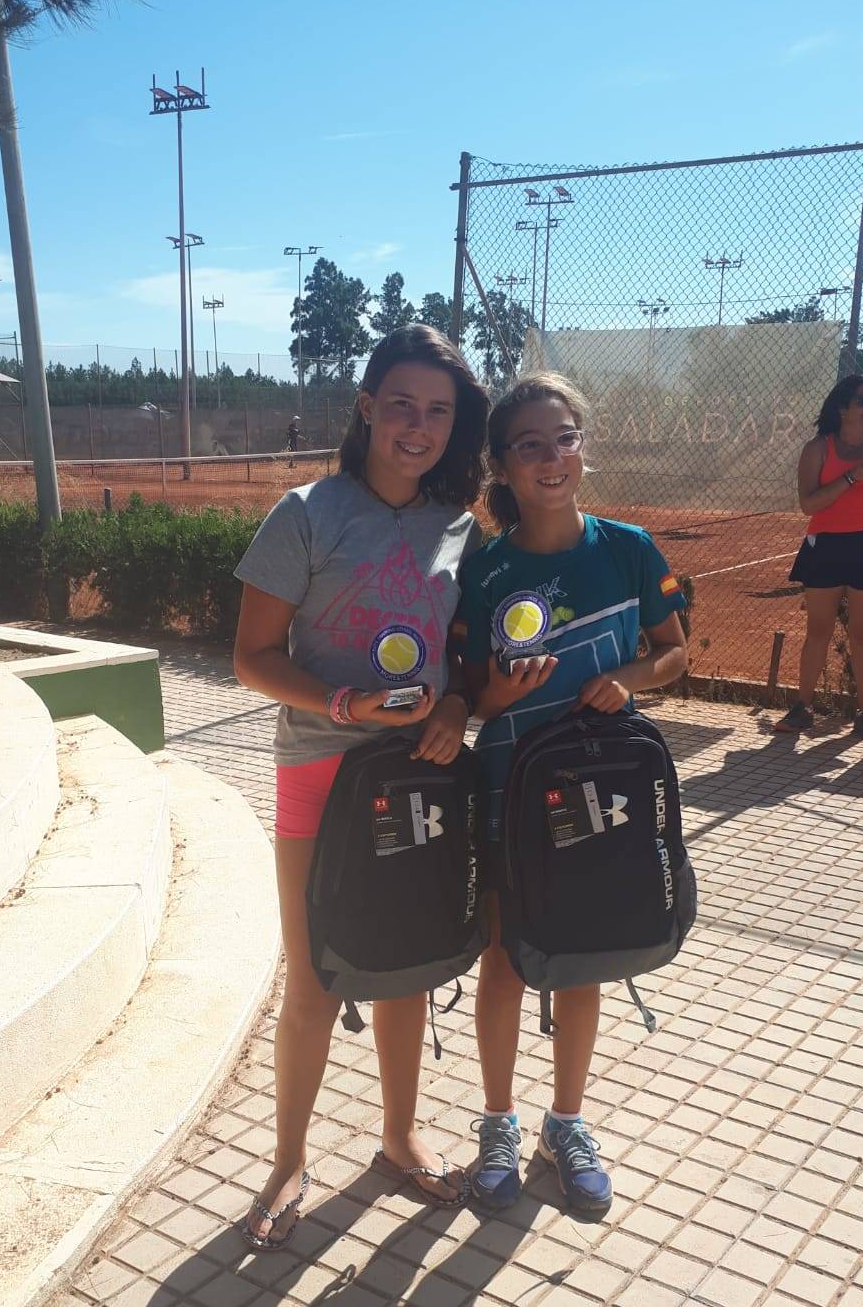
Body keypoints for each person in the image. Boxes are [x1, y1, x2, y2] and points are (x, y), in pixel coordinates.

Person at [232, 325, 489, 1249]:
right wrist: (344, 702)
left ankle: (398, 1135)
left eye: (439, 411)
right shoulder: (306, 513)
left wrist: (454, 704)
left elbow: (467, 658)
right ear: (368, 407)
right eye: (403, 404)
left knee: (403, 970)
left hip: (417, 777)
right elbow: (251, 657)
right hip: (317, 770)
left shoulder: (461, 528)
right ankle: (287, 1160)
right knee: (311, 979)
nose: (419, 426)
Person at [452, 372, 688, 1219]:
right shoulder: (485, 569)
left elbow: (674, 653)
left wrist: (629, 679)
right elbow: (470, 697)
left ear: (582, 446)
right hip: (509, 789)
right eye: (530, 445)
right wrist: (501, 694)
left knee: (582, 951)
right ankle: (498, 1123)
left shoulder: (630, 549)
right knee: (504, 957)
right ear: (503, 465)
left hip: (600, 784)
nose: (552, 457)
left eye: (565, 438)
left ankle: (566, 1124)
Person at [775, 375, 863, 743]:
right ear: (843, 407)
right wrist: (853, 477)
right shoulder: (818, 449)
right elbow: (809, 504)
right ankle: (802, 708)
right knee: (818, 630)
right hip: (825, 546)